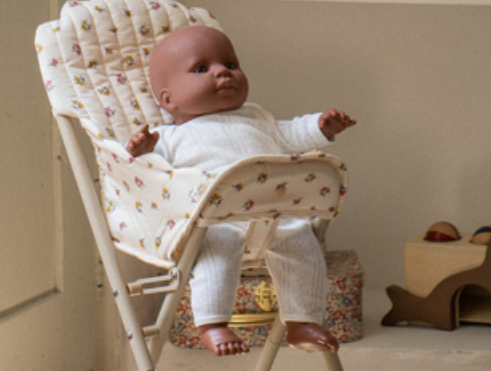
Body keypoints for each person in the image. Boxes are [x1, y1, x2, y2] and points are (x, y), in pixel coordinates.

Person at [126, 23, 356, 358]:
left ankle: (301, 321)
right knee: (214, 254)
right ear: (168, 99)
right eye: (202, 69)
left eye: (230, 65)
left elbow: (289, 133)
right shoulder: (172, 136)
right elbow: (154, 174)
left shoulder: (256, 117)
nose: (223, 73)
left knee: (302, 243)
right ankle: (212, 323)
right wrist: (142, 149)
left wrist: (320, 127)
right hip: (218, 218)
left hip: (275, 213)